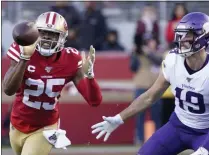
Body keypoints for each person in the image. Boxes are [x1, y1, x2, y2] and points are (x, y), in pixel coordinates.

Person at [91, 12, 209, 155]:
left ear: (204, 37)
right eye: (180, 34)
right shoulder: (173, 60)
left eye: (188, 35)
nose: (182, 40)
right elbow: (150, 96)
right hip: (178, 126)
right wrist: (119, 118)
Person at [3, 11, 102, 155]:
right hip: (17, 123)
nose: (48, 37)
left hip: (45, 127)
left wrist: (90, 76)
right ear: (35, 33)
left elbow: (94, 101)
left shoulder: (71, 59)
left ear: (63, 38)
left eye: (53, 34)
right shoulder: (22, 48)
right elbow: (8, 89)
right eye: (43, 32)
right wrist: (24, 58)